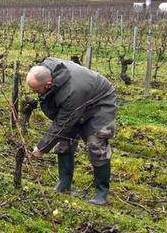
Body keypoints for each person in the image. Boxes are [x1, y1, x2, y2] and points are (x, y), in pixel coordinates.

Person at [26, 57, 117, 205]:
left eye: (36, 90)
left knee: (97, 144)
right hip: (78, 100)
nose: (34, 93)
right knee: (64, 141)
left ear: (48, 84)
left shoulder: (71, 92)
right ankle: (64, 183)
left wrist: (42, 147)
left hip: (100, 102)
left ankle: (101, 193)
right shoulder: (47, 68)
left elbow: (62, 123)